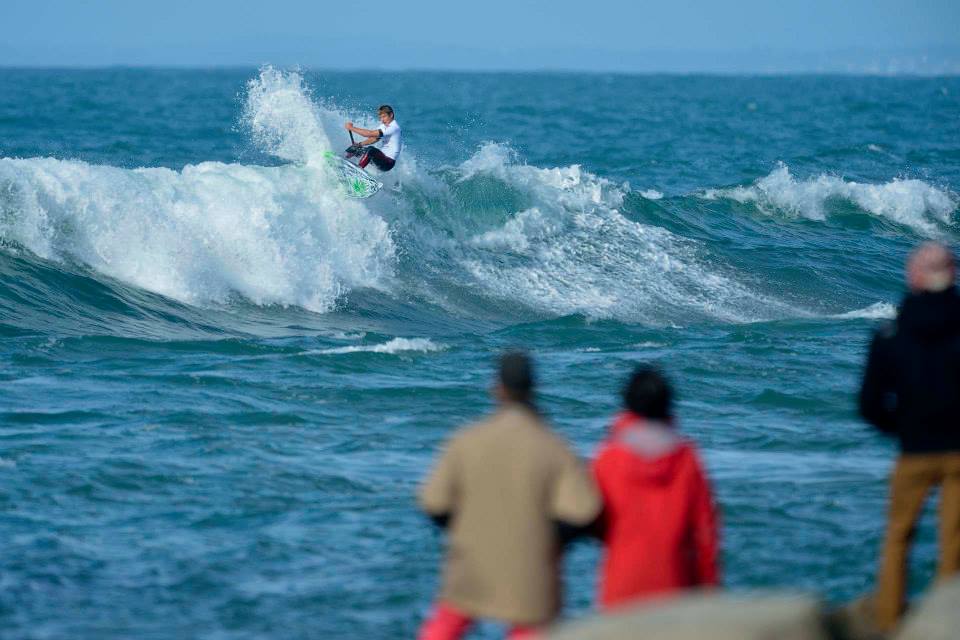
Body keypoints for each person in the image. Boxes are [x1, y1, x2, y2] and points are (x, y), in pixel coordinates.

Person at [417, 351, 601, 640]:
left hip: (472, 561)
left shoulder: (467, 440)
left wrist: (467, 531)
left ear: (497, 388)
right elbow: (583, 511)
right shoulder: (553, 446)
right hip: (531, 566)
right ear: (533, 388)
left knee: (445, 626)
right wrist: (550, 542)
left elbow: (433, 503)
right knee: (529, 628)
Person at [859, 241, 960, 632]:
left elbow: (869, 402)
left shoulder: (892, 332)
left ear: (913, 276)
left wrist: (900, 428)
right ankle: (948, 624)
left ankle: (889, 621)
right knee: (954, 543)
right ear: (952, 275)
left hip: (914, 450)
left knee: (898, 538)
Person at [592, 366, 720, 609]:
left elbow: (595, 523)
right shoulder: (687, 459)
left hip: (621, 589)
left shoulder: (609, 458)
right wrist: (710, 593)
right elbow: (706, 533)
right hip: (674, 589)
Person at [344, 104, 402, 172]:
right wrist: (359, 145)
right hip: (379, 158)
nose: (382, 120)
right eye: (380, 117)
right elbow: (374, 138)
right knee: (355, 148)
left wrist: (351, 128)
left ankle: (358, 172)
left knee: (371, 150)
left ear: (391, 115)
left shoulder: (393, 127)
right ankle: (342, 159)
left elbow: (369, 133)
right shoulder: (384, 126)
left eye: (384, 117)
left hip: (387, 163)